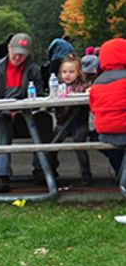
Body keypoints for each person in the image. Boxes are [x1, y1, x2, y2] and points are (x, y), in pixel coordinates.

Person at [0, 32, 54, 192]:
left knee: (44, 119)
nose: (18, 58)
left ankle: (42, 169)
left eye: (22, 55)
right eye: (16, 53)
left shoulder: (32, 69)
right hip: (0, 116)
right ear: (9, 48)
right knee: (1, 123)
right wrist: (7, 110)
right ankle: (2, 174)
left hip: (24, 117)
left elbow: (38, 96)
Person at [89, 37, 126, 178]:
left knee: (113, 148)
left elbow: (93, 108)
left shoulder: (97, 83)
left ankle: (120, 174)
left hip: (105, 132)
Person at [54, 54, 93, 184]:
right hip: (63, 122)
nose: (67, 75)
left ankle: (86, 173)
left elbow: (89, 98)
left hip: (79, 121)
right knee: (54, 142)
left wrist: (85, 92)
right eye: (64, 72)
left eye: (71, 72)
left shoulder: (84, 86)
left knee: (79, 144)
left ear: (78, 72)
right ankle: (49, 170)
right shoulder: (58, 86)